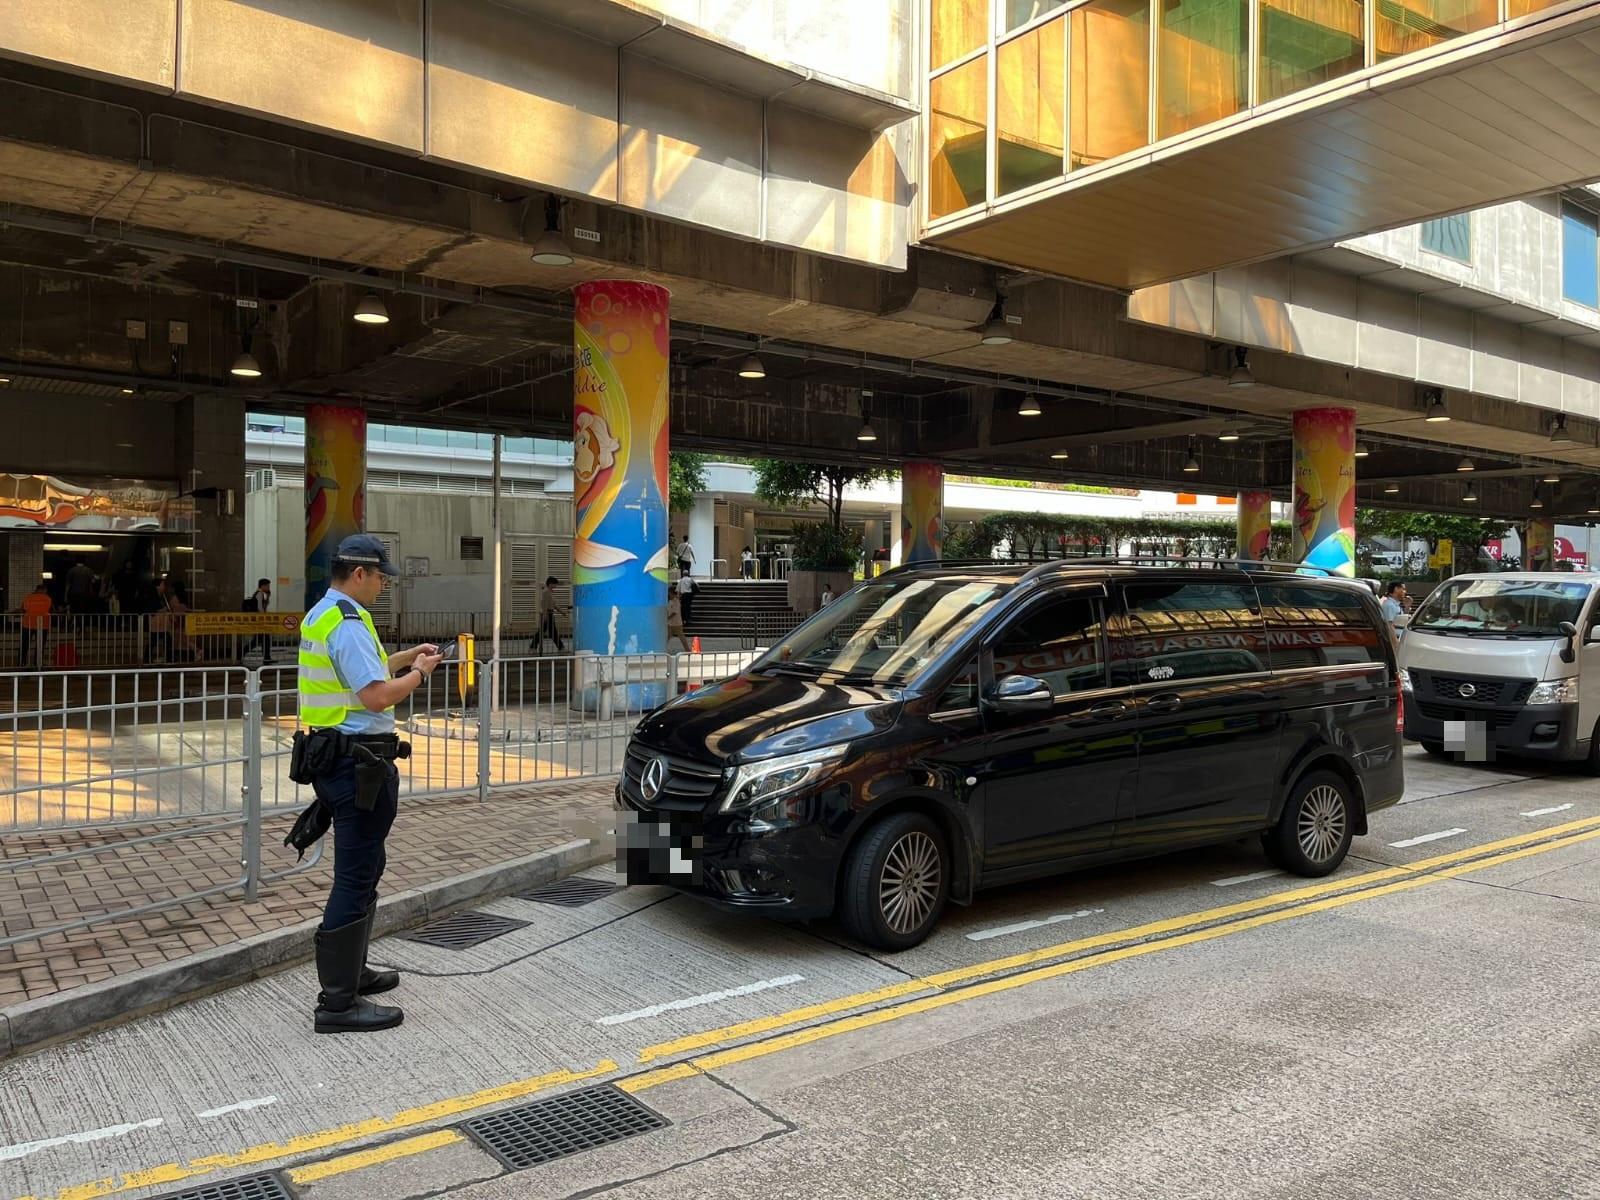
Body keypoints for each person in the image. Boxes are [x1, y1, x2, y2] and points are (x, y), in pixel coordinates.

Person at [296, 534, 443, 1034]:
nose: (384, 584)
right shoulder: (349, 623)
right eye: (381, 576)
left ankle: (352, 973)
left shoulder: (325, 614)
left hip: (339, 759)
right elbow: (377, 698)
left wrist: (405, 657)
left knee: (366, 865)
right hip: (355, 764)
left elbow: (361, 678)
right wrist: (420, 674)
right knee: (356, 874)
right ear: (359, 573)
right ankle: (336, 1004)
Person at [242, 578, 274, 664]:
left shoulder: (263, 594)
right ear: (262, 586)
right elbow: (260, 608)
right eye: (267, 585)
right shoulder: (260, 594)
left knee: (261, 639)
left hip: (260, 620)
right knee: (260, 640)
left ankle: (267, 657)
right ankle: (241, 652)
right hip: (259, 621)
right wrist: (264, 617)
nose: (268, 587)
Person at [20, 581, 51, 668]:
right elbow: (49, 610)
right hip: (42, 624)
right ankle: (37, 663)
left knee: (24, 644)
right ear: (44, 590)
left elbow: (24, 609)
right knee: (40, 645)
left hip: (28, 624)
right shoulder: (47, 598)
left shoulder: (28, 597)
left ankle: (22, 662)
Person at [539, 576, 566, 653]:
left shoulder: (549, 592)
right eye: (555, 584)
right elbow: (544, 605)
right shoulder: (546, 592)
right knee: (552, 632)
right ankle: (561, 648)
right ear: (550, 584)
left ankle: (532, 647)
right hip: (547, 614)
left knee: (544, 632)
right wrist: (545, 616)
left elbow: (554, 605)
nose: (556, 586)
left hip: (549, 614)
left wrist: (562, 612)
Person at [666, 587, 689, 653]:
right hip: (670, 623)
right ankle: (662, 648)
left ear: (672, 593)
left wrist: (667, 618)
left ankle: (687, 650)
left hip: (677, 623)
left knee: (681, 636)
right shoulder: (670, 601)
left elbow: (674, 612)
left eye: (669, 593)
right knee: (668, 636)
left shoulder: (676, 601)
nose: (669, 595)